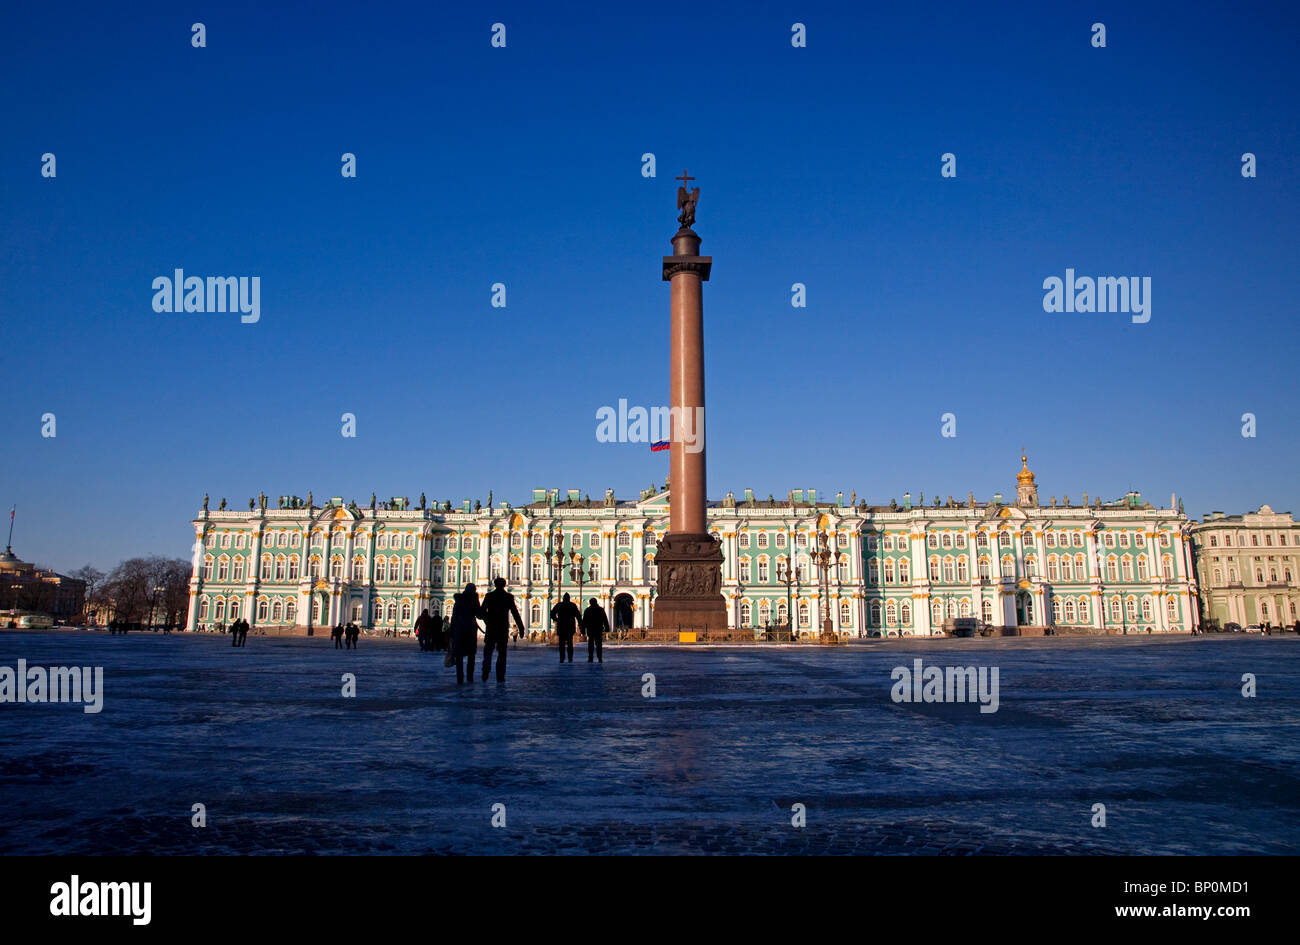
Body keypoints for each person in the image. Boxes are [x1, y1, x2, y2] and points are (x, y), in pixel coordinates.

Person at [481, 577, 525, 682]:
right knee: (502, 653)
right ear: (504, 585)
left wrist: (488, 620)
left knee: (488, 651)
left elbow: (481, 612)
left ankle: (486, 668)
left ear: (495, 584)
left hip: (491, 628)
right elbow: (515, 613)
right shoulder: (508, 597)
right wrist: (521, 627)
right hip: (502, 628)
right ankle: (500, 675)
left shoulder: (489, 596)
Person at [449, 585, 484, 684]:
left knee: (459, 655)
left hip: (459, 629)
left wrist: (451, 633)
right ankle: (470, 677)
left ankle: (459, 677)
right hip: (470, 629)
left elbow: (454, 617)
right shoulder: (474, 600)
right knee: (471, 655)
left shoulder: (459, 600)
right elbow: (479, 615)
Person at [550, 592, 581, 663]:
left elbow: (552, 613)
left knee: (562, 643)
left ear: (563, 598)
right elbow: (578, 615)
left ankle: (562, 658)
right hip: (570, 626)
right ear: (569, 598)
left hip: (561, 626)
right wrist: (580, 624)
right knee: (570, 643)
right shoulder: (572, 605)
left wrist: (556, 619)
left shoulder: (559, 605)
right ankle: (570, 658)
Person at [582, 597, 609, 663]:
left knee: (590, 643)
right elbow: (605, 619)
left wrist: (583, 629)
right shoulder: (600, 610)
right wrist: (607, 627)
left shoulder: (587, 610)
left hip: (590, 629)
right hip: (598, 629)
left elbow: (584, 621)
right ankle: (599, 657)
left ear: (590, 603)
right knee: (599, 644)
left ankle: (590, 657)